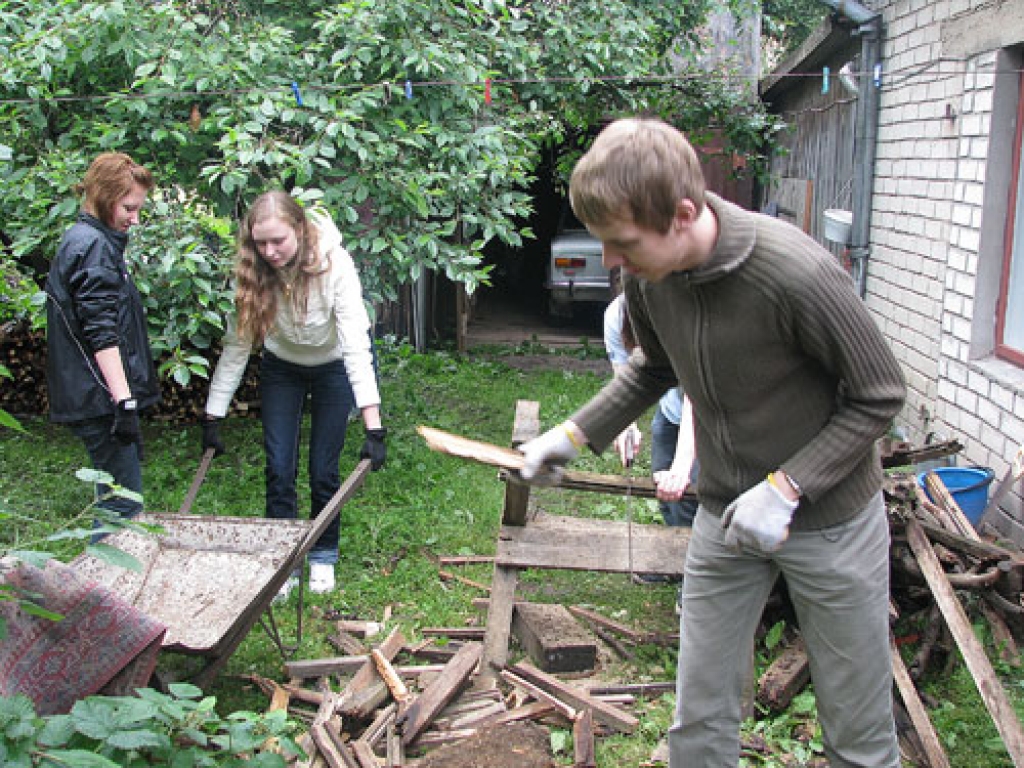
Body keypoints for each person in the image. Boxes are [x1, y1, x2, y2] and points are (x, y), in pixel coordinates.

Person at [519, 118, 906, 768]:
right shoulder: (647, 276)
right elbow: (654, 366)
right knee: (697, 720)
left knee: (858, 735)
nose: (612, 261)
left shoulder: (796, 273)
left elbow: (880, 395)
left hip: (832, 523)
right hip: (724, 513)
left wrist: (788, 486)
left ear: (684, 214)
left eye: (622, 243)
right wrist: (574, 432)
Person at [201, 191, 386, 596]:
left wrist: (374, 427)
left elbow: (356, 343)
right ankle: (282, 557)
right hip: (282, 368)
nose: (269, 251)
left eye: (277, 241)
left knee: (324, 470)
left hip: (333, 368)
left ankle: (322, 554)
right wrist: (214, 413)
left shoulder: (336, 265)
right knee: (278, 468)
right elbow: (237, 344)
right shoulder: (254, 270)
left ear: (299, 230)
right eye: (260, 243)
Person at [45, 152, 159, 530]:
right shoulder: (92, 245)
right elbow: (101, 332)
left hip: (95, 395)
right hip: (100, 398)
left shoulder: (91, 240)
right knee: (121, 511)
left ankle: (100, 586)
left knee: (113, 501)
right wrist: (124, 402)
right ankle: (99, 588)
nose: (134, 218)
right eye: (129, 207)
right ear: (105, 196)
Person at [603, 278, 698, 529]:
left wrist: (681, 466)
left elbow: (696, 395)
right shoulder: (615, 315)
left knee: (690, 494)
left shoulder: (684, 314)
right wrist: (625, 425)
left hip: (711, 417)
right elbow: (625, 379)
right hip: (670, 413)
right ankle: (674, 557)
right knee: (665, 495)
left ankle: (692, 561)